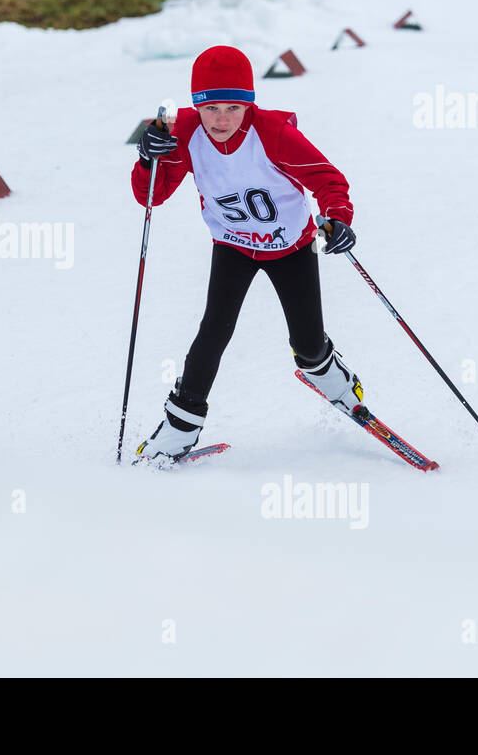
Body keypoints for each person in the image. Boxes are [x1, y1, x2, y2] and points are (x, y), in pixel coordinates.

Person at [131, 45, 364, 465]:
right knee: (212, 333)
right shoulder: (181, 131)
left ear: (249, 104)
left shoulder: (273, 134)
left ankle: (332, 376)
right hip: (233, 245)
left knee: (307, 345)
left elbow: (329, 180)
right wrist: (148, 158)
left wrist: (338, 218)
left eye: (233, 108)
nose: (221, 119)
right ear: (196, 105)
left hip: (291, 245)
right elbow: (152, 195)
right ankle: (179, 428)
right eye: (211, 107)